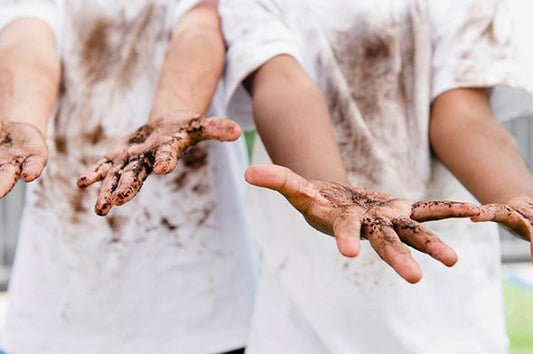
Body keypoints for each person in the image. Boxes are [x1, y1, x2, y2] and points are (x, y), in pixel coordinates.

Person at [219, 0, 533, 352]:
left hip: (449, 319)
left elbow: (463, 113)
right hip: (304, 320)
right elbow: (281, 82)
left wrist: (518, 198)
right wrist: (330, 193)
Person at [0, 1, 257, 353]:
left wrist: (172, 115)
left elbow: (201, 26)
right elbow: (26, 33)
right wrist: (22, 120)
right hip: (57, 304)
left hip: (202, 302)